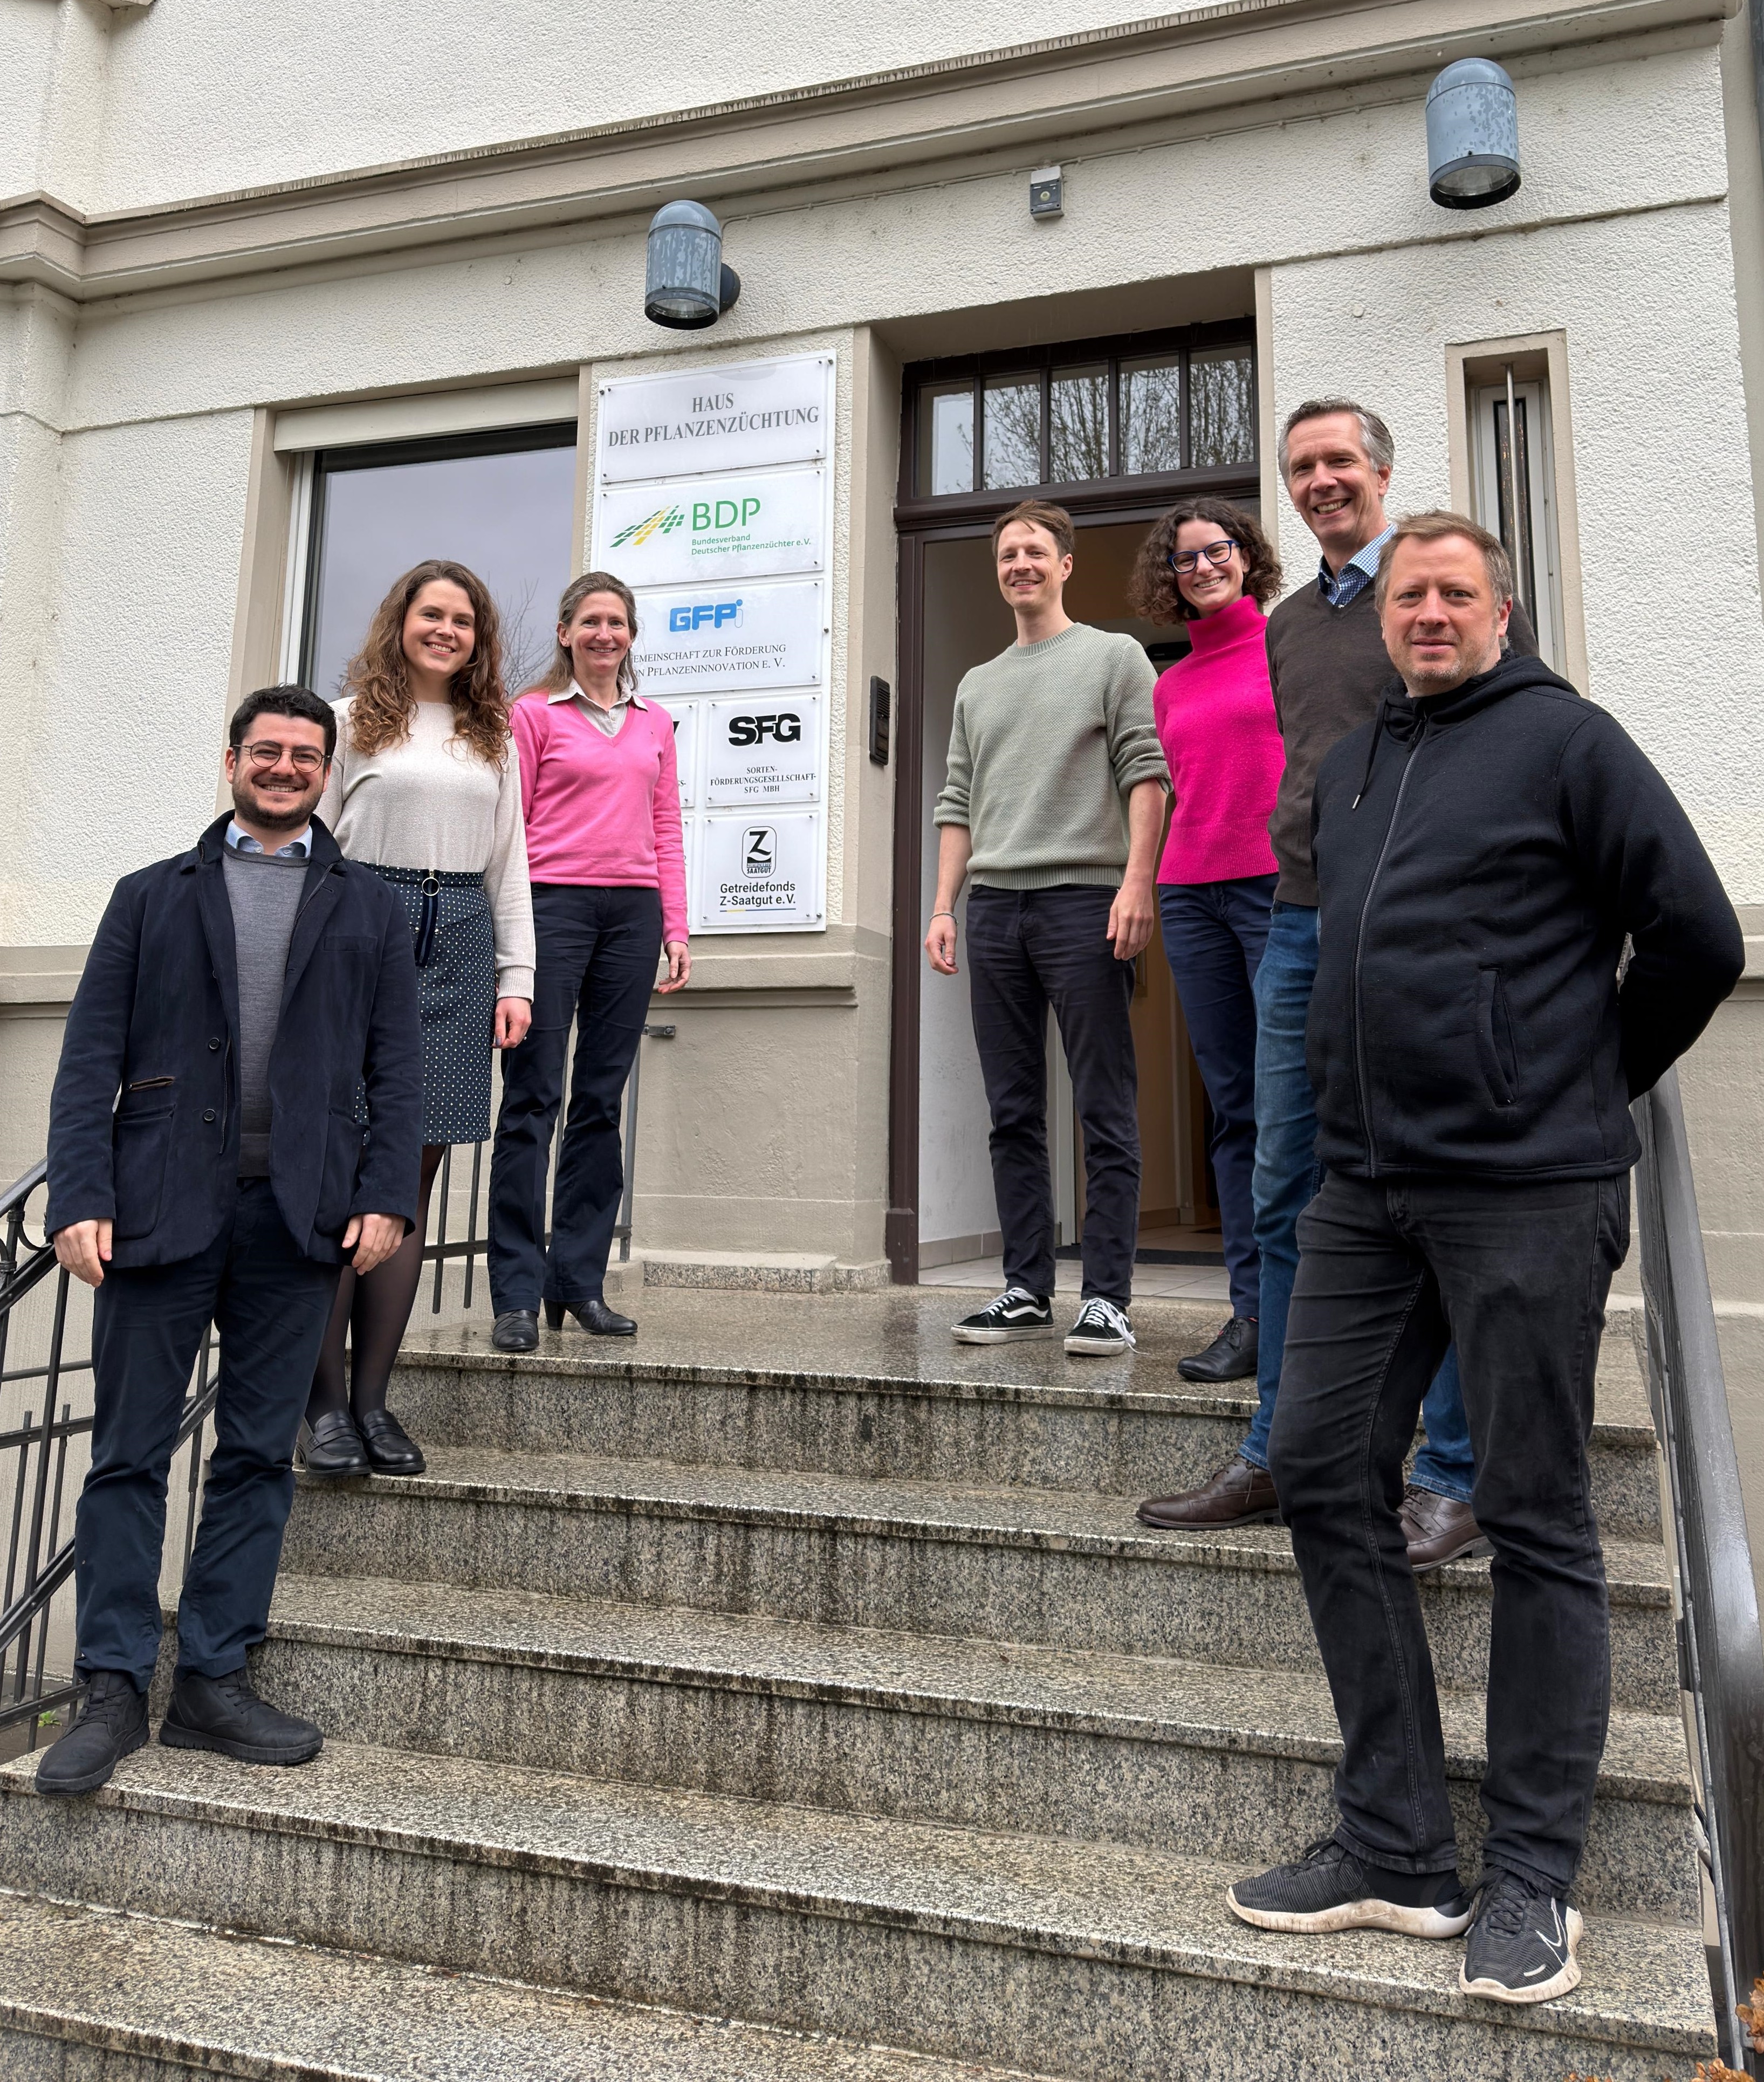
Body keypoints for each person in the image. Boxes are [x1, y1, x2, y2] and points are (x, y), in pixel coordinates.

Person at [1227, 511, 1742, 2002]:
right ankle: (1395, 1842)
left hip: (1525, 1185)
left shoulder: (1569, 741)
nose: (1429, 613)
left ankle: (1532, 1874)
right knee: (1320, 1465)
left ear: (1501, 612)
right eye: (1410, 595)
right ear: (1382, 615)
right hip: (1366, 1186)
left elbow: (1697, 935)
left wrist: (1571, 1080)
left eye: (1456, 592)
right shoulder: (1362, 758)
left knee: (1533, 1508)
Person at [1138, 400, 1534, 1561]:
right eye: (1302, 465)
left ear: (1381, 471)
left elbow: (1511, 737)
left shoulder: (1430, 594)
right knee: (1282, 1188)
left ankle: (1451, 1474)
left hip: (1422, 932)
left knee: (1434, 1197)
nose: (1322, 480)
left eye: (1340, 460)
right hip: (1301, 919)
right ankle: (1283, 1451)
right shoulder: (1291, 624)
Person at [36, 685, 422, 1797]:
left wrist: (385, 1194)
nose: (285, 767)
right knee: (127, 1455)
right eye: (267, 750)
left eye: (305, 754)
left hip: (299, 1218)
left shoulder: (369, 907)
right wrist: (79, 1195)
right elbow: (89, 1057)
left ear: (327, 772)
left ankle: (212, 1678)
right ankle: (112, 1685)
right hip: (157, 1211)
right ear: (233, 760)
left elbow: (397, 1066)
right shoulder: (149, 895)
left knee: (256, 1456)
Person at [300, 559, 534, 1479]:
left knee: (402, 1185)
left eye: (463, 620)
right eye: (432, 614)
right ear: (401, 620)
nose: (446, 630)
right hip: (362, 928)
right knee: (337, 1178)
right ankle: (321, 1407)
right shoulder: (348, 720)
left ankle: (372, 1402)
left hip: (462, 940)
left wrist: (517, 979)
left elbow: (509, 865)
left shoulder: (494, 734)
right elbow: (311, 847)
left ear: (479, 639)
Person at [927, 499, 1169, 1358]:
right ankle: (1027, 1287)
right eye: (1007, 554)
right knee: (1012, 1109)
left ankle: (1107, 1297)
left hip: (1084, 900)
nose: (1020, 564)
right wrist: (944, 906)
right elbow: (957, 802)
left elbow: (1147, 773)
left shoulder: (1114, 656)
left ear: (1065, 564)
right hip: (994, 908)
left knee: (1103, 1103)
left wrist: (1137, 882)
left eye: (1034, 551)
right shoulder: (977, 683)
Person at [486, 571, 688, 1350]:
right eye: (592, 621)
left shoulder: (654, 722)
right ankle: (515, 1291)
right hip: (552, 908)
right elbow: (511, 828)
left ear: (631, 636)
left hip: (632, 916)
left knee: (601, 1102)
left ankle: (579, 1280)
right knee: (532, 1097)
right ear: (566, 632)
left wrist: (676, 927)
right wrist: (510, 937)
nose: (606, 634)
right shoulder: (533, 714)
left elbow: (665, 827)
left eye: (619, 623)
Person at [1125, 496, 1284, 1384]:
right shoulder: (1170, 683)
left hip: (1277, 888)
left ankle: (1319, 1310)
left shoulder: (1287, 649)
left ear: (1245, 554)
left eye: (1216, 550)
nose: (1203, 568)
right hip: (1191, 895)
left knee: (1295, 1100)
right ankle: (1253, 1312)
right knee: (1235, 1107)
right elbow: (1174, 788)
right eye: (1184, 559)